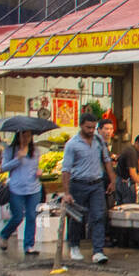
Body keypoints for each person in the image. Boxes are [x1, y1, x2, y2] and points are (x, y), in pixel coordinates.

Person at [60, 112, 116, 264]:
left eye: (93, 127)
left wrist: (112, 180)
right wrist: (66, 192)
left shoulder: (99, 141)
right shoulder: (72, 144)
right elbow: (66, 169)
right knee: (77, 217)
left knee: (99, 216)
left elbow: (106, 160)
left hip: (96, 184)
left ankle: (98, 251)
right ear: (81, 126)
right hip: (78, 184)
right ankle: (74, 246)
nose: (91, 130)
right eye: (88, 127)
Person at [0, 130, 42, 254]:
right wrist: (18, 158)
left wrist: (39, 171)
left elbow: (35, 167)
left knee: (31, 216)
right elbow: (3, 168)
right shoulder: (10, 150)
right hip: (16, 188)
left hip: (33, 188)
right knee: (17, 216)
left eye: (28, 135)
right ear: (18, 136)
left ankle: (29, 245)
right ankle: (5, 234)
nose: (26, 138)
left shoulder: (35, 151)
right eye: (23, 135)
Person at [112, 131, 139, 205]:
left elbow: (138, 167)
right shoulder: (131, 152)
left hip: (119, 181)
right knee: (128, 206)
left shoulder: (132, 150)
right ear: (137, 143)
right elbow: (132, 172)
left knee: (120, 205)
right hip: (126, 182)